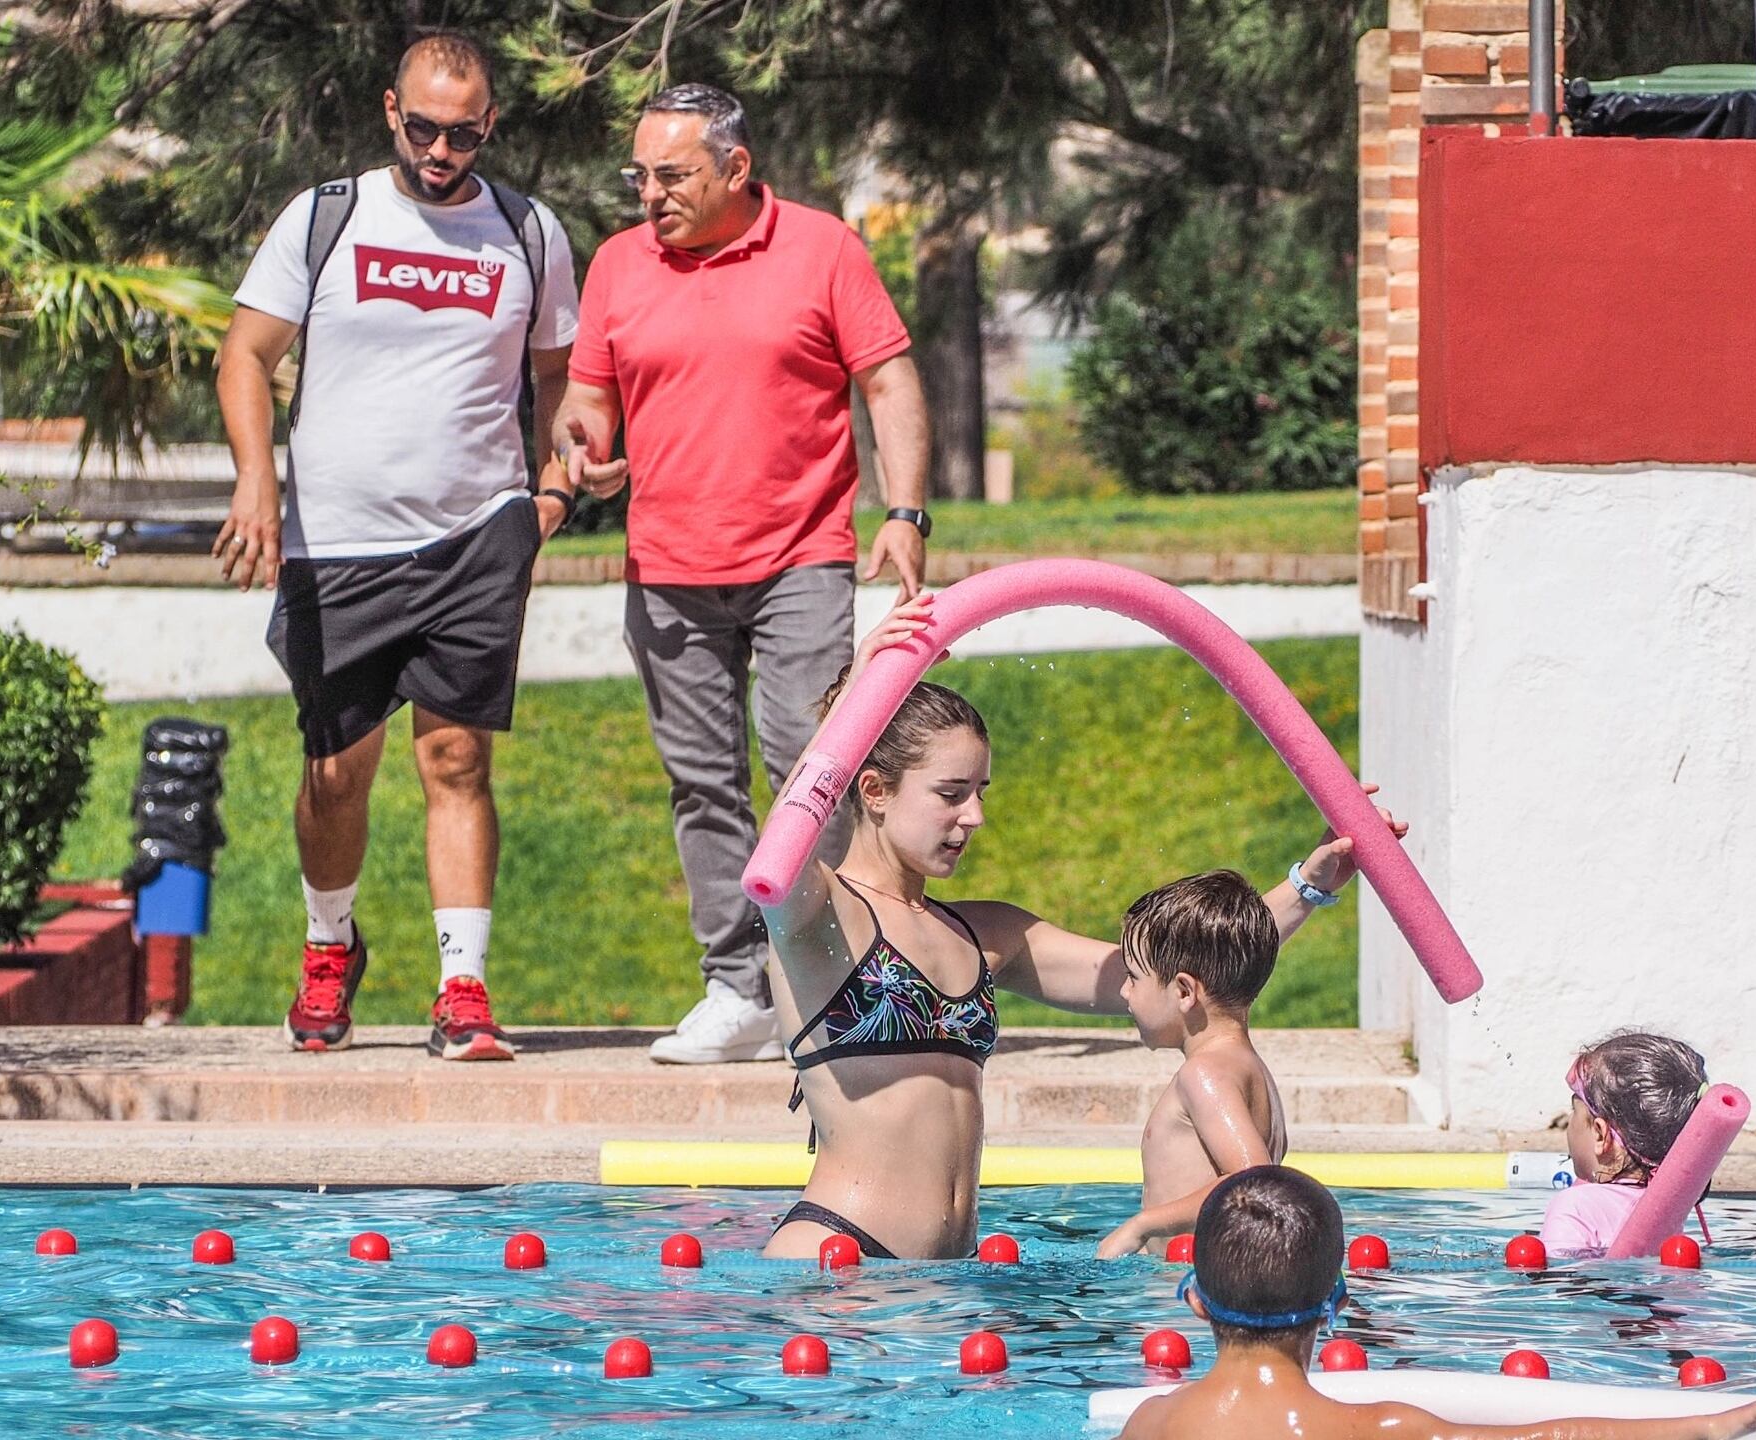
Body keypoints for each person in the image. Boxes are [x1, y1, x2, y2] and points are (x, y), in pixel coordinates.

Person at [749, 598, 1365, 1260]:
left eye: (982, 789)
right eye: (951, 793)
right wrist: (854, 711)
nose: (976, 815)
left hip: (950, 1277)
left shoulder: (986, 934)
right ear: (874, 791)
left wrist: (1309, 884)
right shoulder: (821, 915)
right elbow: (779, 850)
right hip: (842, 1258)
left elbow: (1185, 973)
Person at [214, 32, 579, 1061]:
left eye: (463, 133)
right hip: (337, 544)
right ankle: (330, 945)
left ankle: (463, 986)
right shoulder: (327, 216)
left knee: (456, 756)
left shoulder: (528, 231)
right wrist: (255, 483)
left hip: (475, 531)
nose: (441, 149)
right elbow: (246, 353)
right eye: (423, 127)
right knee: (337, 772)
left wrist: (547, 492)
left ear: (489, 126)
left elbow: (558, 372)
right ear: (390, 112)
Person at [551, 82, 933, 1065]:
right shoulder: (619, 265)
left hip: (801, 553)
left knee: (814, 770)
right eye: (638, 174)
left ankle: (837, 981)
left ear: (735, 168)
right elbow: (587, 399)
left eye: (670, 174)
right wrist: (583, 447)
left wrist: (904, 511)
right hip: (667, 566)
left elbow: (888, 379)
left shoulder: (822, 249)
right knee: (701, 784)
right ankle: (738, 990)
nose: (649, 194)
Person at [1118, 1165, 1756, 1440]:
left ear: (1197, 1302)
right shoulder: (1381, 1430)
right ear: (1331, 1304)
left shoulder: (1151, 1423)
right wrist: (1721, 1421)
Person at [1095, 871, 1295, 1259]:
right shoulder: (1252, 1071)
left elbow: (1254, 1182)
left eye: (1134, 977)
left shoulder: (1203, 1075)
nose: (1124, 990)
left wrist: (1141, 1227)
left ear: (1184, 992)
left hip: (1185, 1295)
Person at [1543, 1031, 1712, 1256]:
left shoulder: (1574, 1205)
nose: (1569, 1123)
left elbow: (1558, 1279)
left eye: (1575, 1111)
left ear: (1600, 1135)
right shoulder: (1669, 1211)